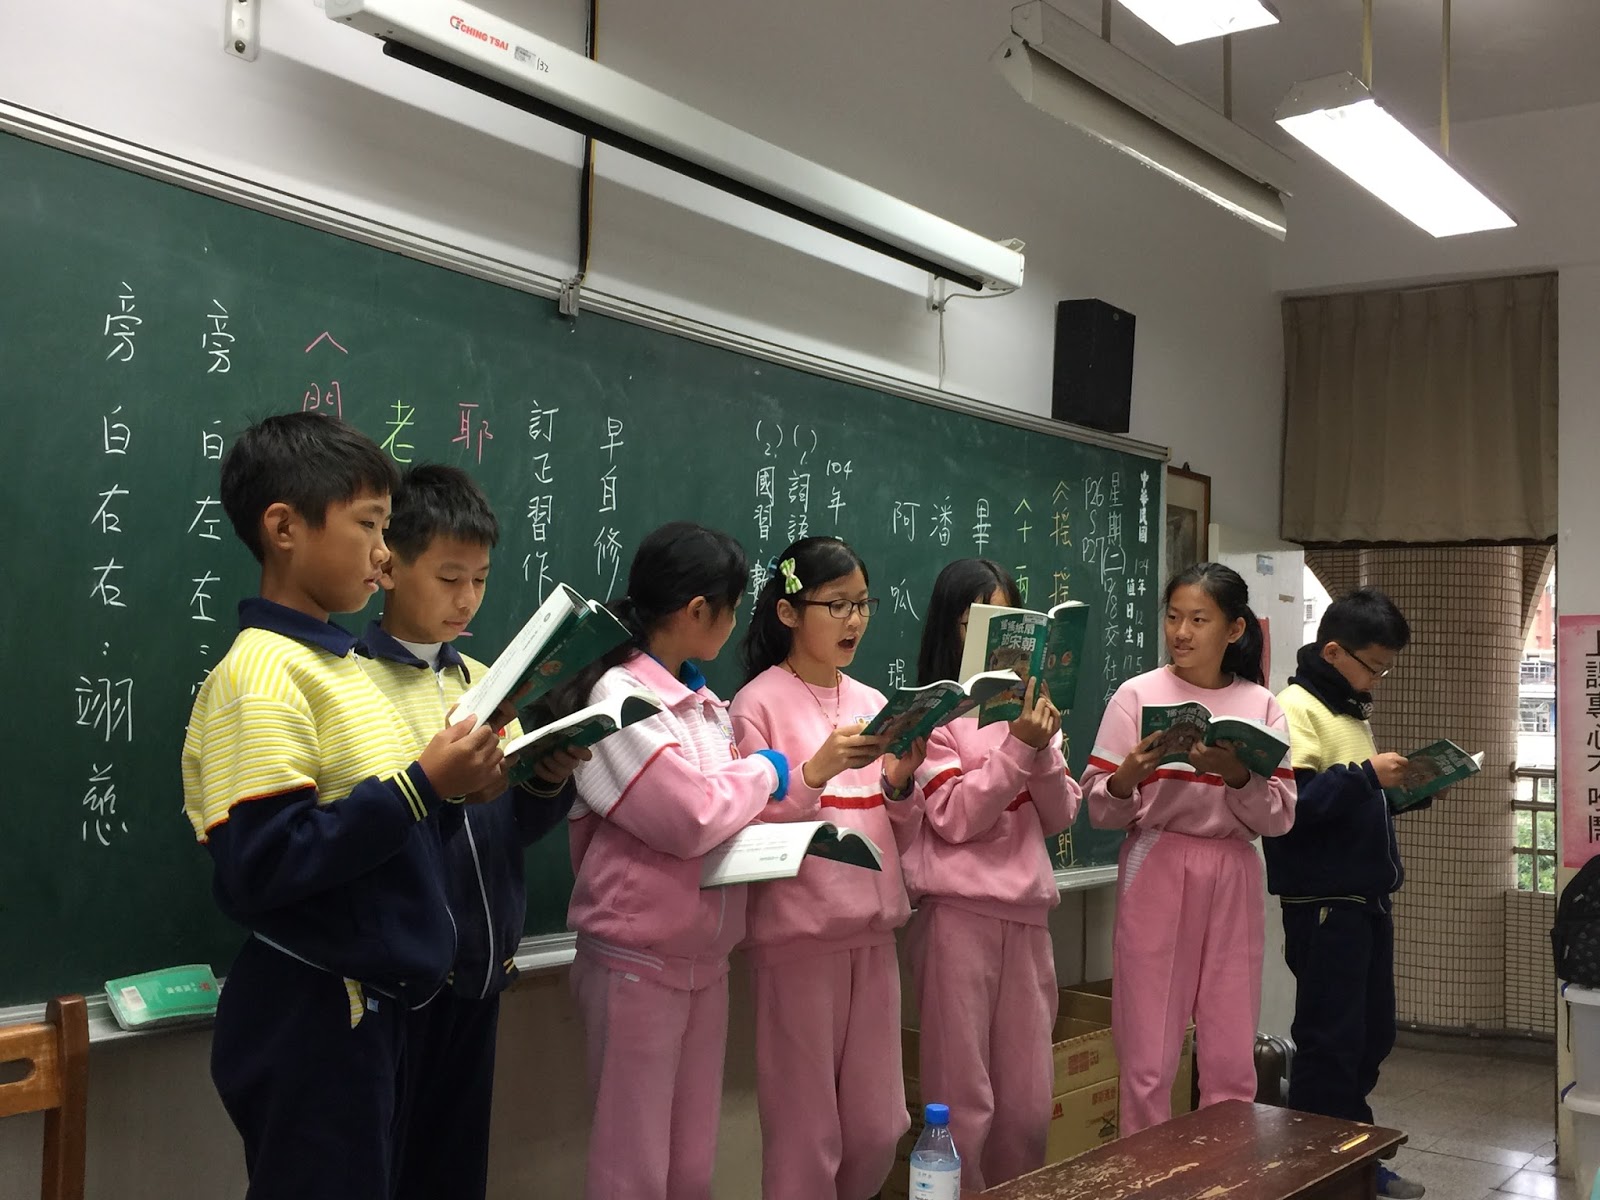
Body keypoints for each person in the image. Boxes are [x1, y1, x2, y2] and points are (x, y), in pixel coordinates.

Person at [181, 413, 504, 1199]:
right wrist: (423, 786)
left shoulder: (345, 668)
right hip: (315, 1012)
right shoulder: (261, 674)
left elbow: (386, 838)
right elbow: (264, 866)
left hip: (378, 1008)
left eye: (387, 529)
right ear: (284, 528)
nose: (383, 553)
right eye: (369, 525)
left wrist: (456, 792)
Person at [353, 463, 587, 1200]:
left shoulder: (487, 683)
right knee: (385, 1170)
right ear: (389, 567)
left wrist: (548, 775)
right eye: (450, 577)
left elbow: (507, 827)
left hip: (482, 977)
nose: (467, 599)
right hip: (400, 986)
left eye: (481, 580)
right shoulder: (353, 683)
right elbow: (374, 831)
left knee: (454, 1174)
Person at [562, 522, 789, 1200]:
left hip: (703, 962)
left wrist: (762, 793)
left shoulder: (705, 705)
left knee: (691, 1167)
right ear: (696, 610)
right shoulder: (619, 697)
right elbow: (689, 816)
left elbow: (721, 812)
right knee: (633, 1169)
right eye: (732, 608)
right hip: (637, 961)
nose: (736, 623)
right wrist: (765, 772)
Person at [730, 536, 924, 1200]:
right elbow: (743, 828)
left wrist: (900, 782)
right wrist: (814, 772)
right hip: (797, 940)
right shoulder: (755, 704)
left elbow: (900, 828)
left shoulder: (873, 699)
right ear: (789, 613)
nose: (855, 620)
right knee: (805, 1134)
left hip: (874, 933)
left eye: (863, 604)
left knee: (879, 1126)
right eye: (836, 605)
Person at [1082, 562, 1296, 1135]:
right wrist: (1127, 777)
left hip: (1233, 866)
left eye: (1199, 620)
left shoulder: (1261, 705)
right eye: (1174, 617)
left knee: (1230, 1040)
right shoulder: (1137, 695)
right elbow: (1099, 807)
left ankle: (1224, 1167)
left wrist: (1237, 775)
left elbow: (1280, 816)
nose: (1181, 632)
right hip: (1158, 857)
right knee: (1148, 1045)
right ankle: (1146, 1168)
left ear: (1234, 629)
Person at [902, 557, 1082, 1191]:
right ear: (951, 629)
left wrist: (1041, 746)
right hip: (958, 918)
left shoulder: (1034, 712)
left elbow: (1061, 815)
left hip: (1027, 918)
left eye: (1011, 620)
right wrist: (1018, 749)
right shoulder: (935, 716)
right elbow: (955, 819)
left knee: (1028, 1107)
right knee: (963, 1106)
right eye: (977, 621)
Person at [1262, 588, 1423, 1200]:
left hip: (1365, 899)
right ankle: (1325, 1165)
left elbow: (1349, 800)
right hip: (1324, 904)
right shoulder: (1294, 708)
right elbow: (1292, 808)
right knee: (1331, 1040)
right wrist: (1365, 777)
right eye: (1373, 666)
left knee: (1372, 1035)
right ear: (1333, 651)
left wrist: (1403, 792)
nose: (1378, 679)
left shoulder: (1348, 709)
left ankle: (1348, 1155)